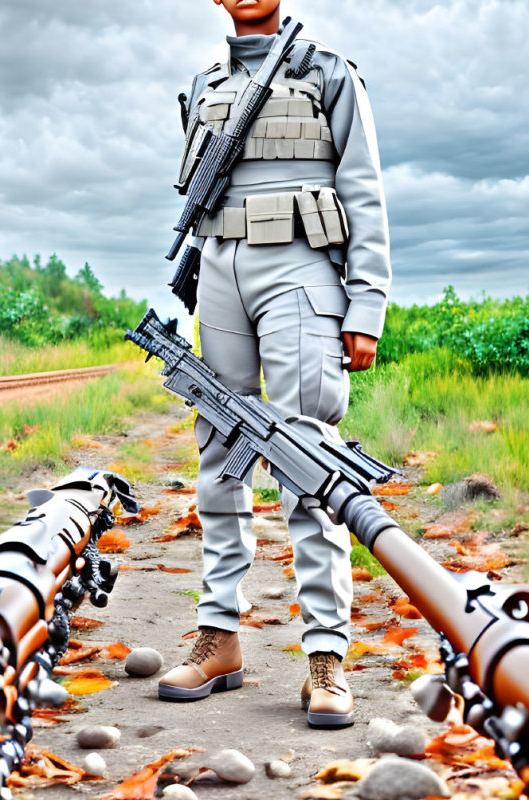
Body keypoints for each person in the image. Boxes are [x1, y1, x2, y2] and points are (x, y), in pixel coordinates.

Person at [157, 0, 391, 728]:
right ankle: (219, 636)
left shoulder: (328, 73)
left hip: (301, 270)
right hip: (222, 270)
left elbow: (363, 186)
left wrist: (367, 302)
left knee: (306, 457)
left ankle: (325, 654)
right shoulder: (203, 87)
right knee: (219, 453)